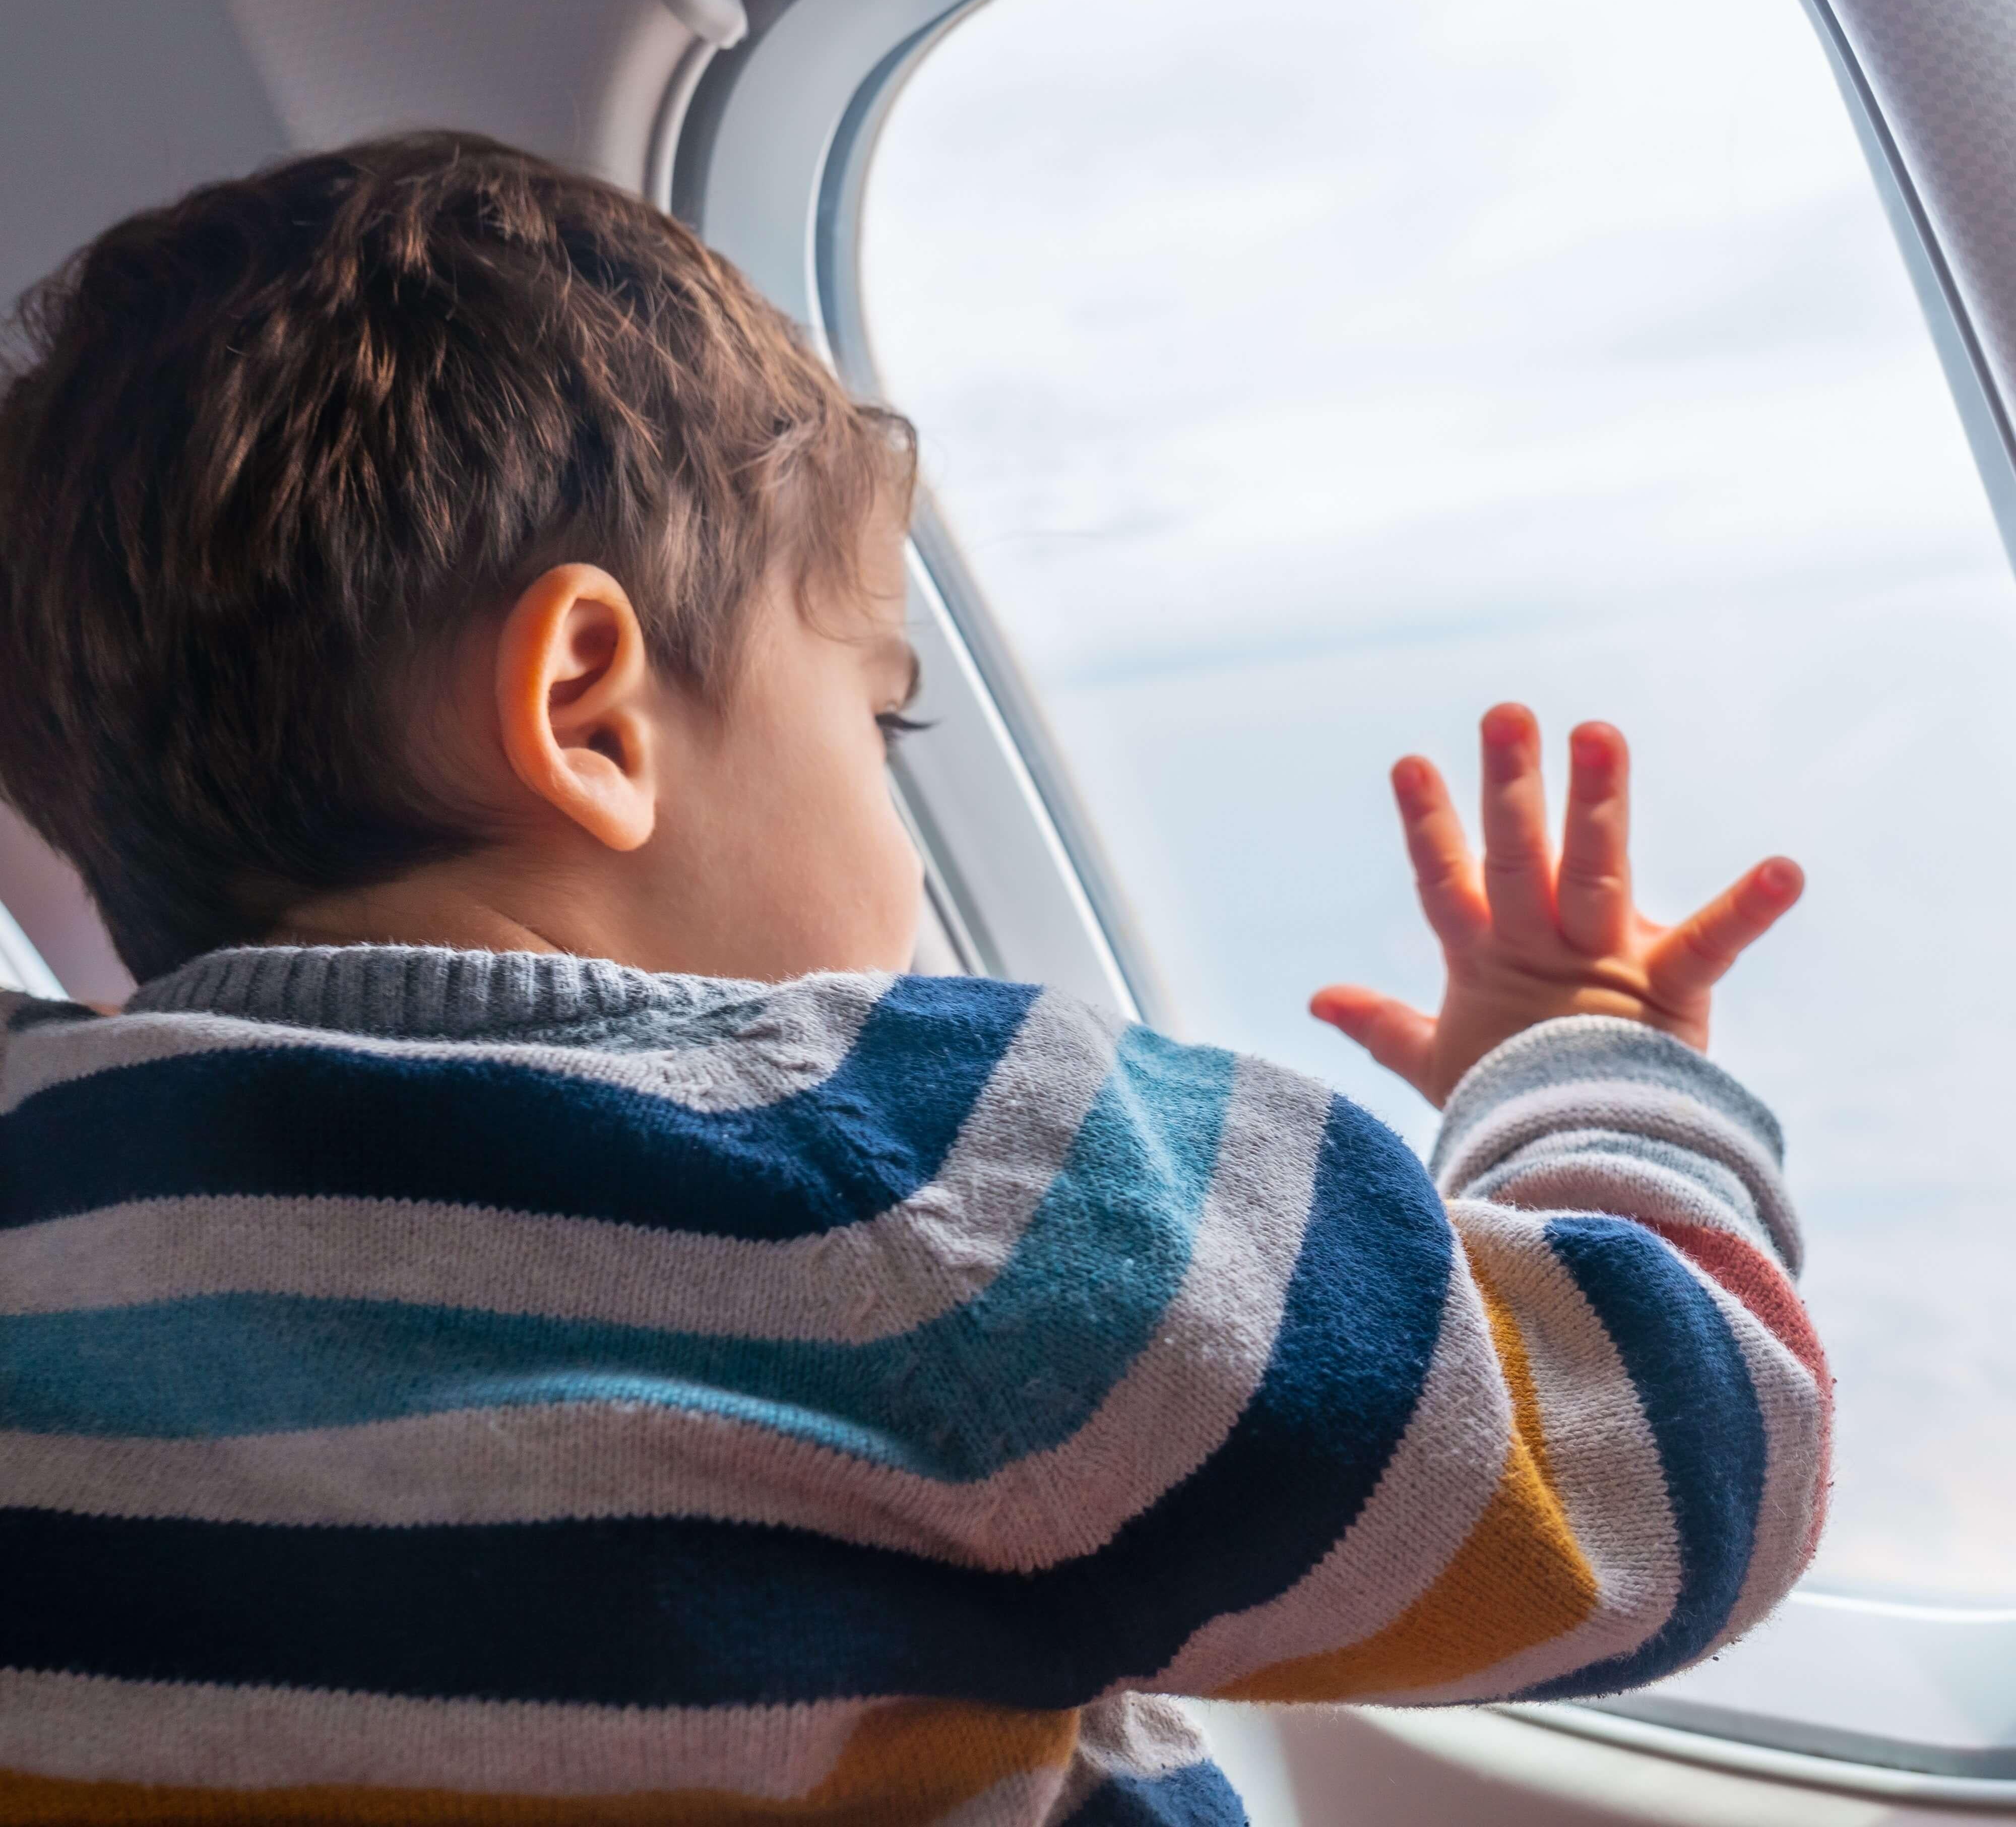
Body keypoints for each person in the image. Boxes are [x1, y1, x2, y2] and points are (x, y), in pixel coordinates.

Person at [0, 134, 1826, 1826]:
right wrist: (1594, 1050)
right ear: (590, 718)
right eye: (879, 715)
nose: (898, 803)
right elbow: (1673, 1465)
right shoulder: (912, 1185)